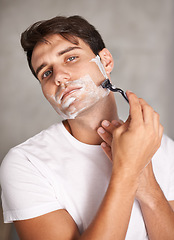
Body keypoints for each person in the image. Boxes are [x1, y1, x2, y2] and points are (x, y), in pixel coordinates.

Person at [0, 15, 174, 240]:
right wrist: (128, 170)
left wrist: (149, 188)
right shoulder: (26, 163)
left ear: (106, 61)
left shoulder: (161, 146)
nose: (60, 77)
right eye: (46, 73)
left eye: (70, 58)